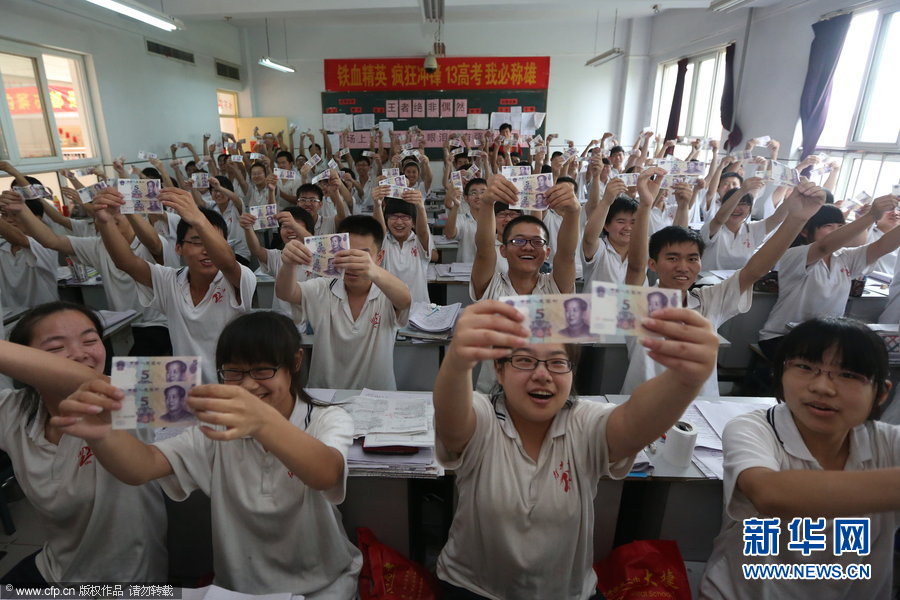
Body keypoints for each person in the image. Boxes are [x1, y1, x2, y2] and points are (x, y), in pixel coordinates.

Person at [52, 311, 361, 596]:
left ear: (295, 361)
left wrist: (262, 421)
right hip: (238, 588)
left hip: (325, 581)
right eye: (234, 372)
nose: (249, 385)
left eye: (263, 370)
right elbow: (143, 467)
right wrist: (104, 434)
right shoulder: (214, 429)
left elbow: (325, 474)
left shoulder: (326, 418)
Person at [432, 299, 719, 599]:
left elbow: (632, 424)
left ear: (572, 373)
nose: (542, 374)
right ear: (499, 371)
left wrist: (685, 381)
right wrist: (457, 362)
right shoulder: (483, 415)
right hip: (473, 588)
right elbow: (453, 423)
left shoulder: (584, 421)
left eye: (557, 362)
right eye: (525, 361)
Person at [699, 317, 900, 599]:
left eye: (848, 375)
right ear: (781, 372)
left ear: (880, 393)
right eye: (805, 367)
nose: (822, 387)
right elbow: (768, 492)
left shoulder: (888, 444)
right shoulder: (756, 429)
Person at [0, 302, 167, 584]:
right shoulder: (14, 411)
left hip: (130, 584)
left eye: (91, 340)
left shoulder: (132, 396)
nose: (80, 354)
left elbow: (165, 390)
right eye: (55, 349)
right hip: (56, 570)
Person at [622, 178, 830, 396]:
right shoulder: (639, 303)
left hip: (700, 408)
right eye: (673, 258)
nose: (683, 267)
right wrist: (645, 206)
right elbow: (635, 267)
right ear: (652, 264)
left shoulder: (709, 300)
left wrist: (796, 219)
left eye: (692, 259)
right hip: (643, 406)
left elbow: (755, 270)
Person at [93, 186, 256, 384]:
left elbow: (227, 262)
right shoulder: (169, 281)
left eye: (212, 241)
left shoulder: (239, 278)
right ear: (178, 248)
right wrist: (104, 221)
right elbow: (126, 262)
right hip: (186, 388)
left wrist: (198, 219)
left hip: (233, 386)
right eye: (197, 242)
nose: (207, 251)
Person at [276, 215, 412, 390]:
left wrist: (373, 270)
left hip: (377, 397)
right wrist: (287, 264)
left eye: (362, 255)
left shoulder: (387, 290)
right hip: (325, 395)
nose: (352, 263)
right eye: (345, 253)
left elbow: (404, 300)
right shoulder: (323, 287)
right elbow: (286, 293)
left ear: (379, 257)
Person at [758, 195, 900, 359]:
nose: (838, 231)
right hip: (783, 337)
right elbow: (824, 246)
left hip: (824, 338)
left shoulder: (845, 257)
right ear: (805, 231)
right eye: (828, 226)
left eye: (840, 226)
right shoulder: (794, 255)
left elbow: (882, 246)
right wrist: (871, 216)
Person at [373, 187, 431, 304]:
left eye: (405, 217)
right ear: (386, 220)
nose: (399, 222)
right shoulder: (384, 242)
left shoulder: (419, 242)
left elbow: (423, 232)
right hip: (388, 309)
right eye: (393, 217)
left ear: (414, 222)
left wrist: (420, 206)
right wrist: (377, 205)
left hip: (418, 309)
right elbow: (378, 229)